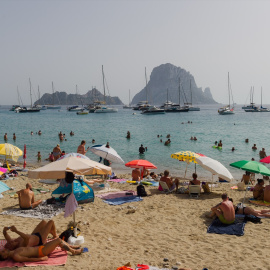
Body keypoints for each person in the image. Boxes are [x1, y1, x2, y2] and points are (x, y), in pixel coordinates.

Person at [0, 236, 82, 262]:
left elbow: (9, 240)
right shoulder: (15, 256)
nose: (3, 249)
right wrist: (41, 259)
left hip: (40, 248)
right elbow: (28, 259)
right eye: (3, 251)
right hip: (41, 252)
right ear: (5, 257)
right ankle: (73, 251)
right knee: (58, 240)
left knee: (57, 240)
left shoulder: (14, 250)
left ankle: (72, 247)